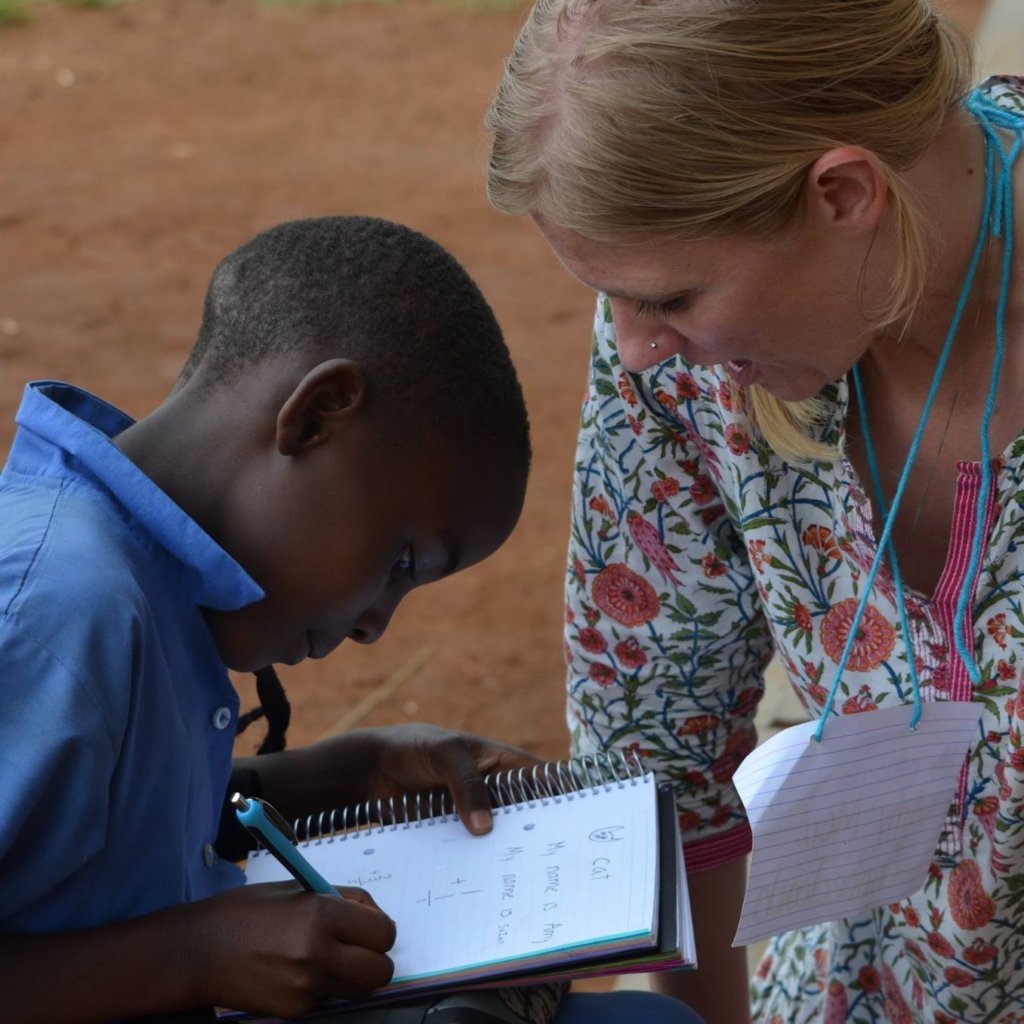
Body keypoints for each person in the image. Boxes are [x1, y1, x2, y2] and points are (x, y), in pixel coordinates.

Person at [0, 216, 699, 1024]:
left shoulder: (146, 584)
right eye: (404, 563)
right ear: (317, 415)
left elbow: (105, 836)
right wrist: (193, 957)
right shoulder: (57, 613)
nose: (374, 628)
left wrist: (355, 768)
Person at [485, 1, 1024, 1022]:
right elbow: (651, 741)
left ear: (844, 194)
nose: (637, 348)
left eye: (673, 298)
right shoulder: (687, 361)